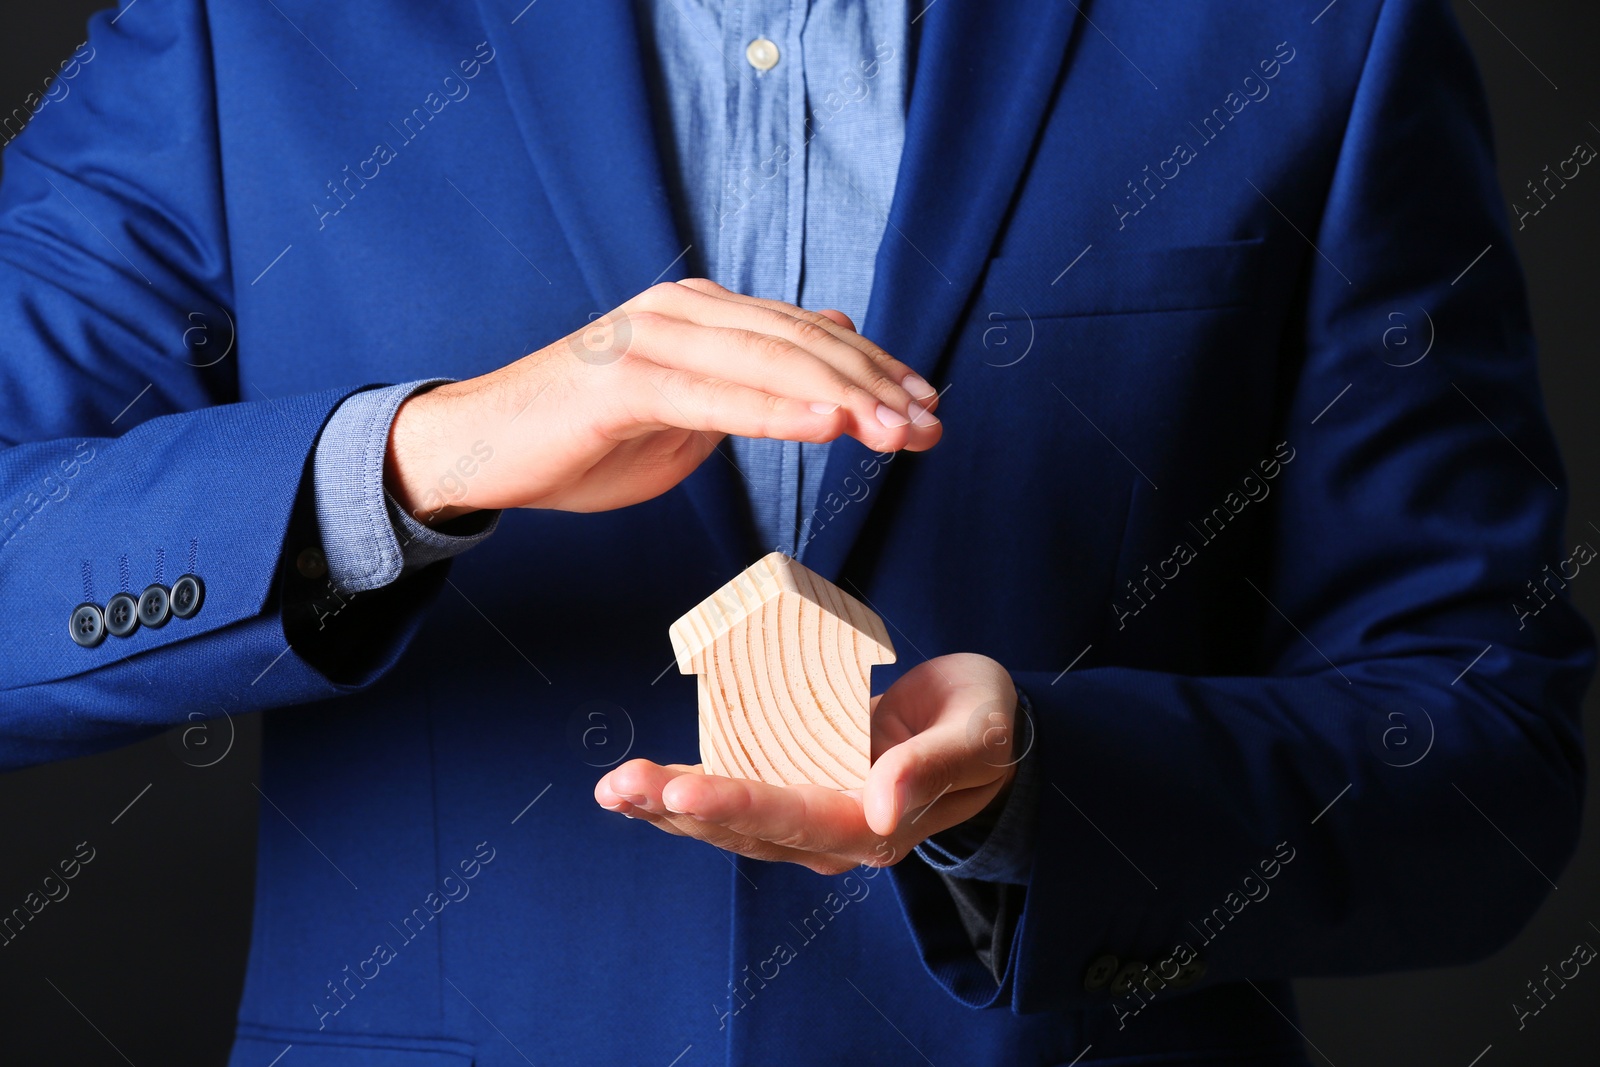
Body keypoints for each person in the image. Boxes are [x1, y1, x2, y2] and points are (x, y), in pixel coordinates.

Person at [0, 0, 1590, 1064]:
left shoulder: (1318, 29)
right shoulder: (245, 26)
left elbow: (1487, 755)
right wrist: (432, 451)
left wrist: (1049, 781)